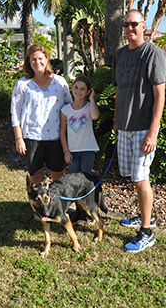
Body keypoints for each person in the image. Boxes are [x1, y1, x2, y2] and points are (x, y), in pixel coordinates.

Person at [112, 9, 166, 253]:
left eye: (134, 24)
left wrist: (152, 132)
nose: (129, 28)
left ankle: (147, 232)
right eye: (126, 24)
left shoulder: (153, 53)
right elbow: (118, 92)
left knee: (141, 178)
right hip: (123, 127)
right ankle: (147, 217)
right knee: (132, 176)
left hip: (143, 128)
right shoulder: (120, 54)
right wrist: (115, 120)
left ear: (143, 26)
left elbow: (159, 95)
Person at [11, 44, 72, 185]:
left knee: (59, 175)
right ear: (28, 62)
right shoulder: (22, 84)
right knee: (36, 174)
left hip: (56, 138)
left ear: (46, 59)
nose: (37, 62)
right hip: (32, 138)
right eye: (33, 59)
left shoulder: (59, 82)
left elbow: (69, 107)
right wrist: (18, 138)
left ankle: (58, 203)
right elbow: (15, 112)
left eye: (40, 58)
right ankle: (38, 205)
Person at [60, 75, 100, 225]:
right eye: (76, 87)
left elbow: (95, 116)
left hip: (87, 150)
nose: (78, 91)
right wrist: (66, 151)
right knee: (74, 183)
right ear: (72, 87)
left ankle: (85, 212)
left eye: (83, 89)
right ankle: (78, 210)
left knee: (85, 181)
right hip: (72, 152)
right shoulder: (65, 110)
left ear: (88, 91)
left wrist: (92, 99)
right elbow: (62, 132)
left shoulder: (89, 107)